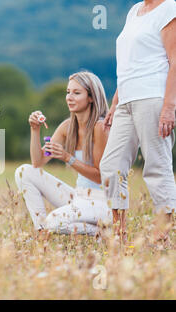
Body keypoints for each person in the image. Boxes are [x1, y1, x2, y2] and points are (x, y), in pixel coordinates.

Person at [100, 0, 176, 241]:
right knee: (111, 166)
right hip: (126, 100)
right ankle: (119, 234)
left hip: (153, 97)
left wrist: (169, 106)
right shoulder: (134, 11)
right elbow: (128, 63)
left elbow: (174, 60)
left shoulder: (169, 8)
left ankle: (162, 235)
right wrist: (115, 102)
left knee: (156, 165)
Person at [15, 71, 111, 236]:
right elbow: (38, 162)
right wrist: (34, 129)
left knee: (53, 221)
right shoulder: (68, 127)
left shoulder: (100, 128)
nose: (69, 97)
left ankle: (104, 233)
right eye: (68, 92)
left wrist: (68, 158)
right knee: (24, 171)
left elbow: (100, 177)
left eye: (76, 93)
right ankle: (42, 234)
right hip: (79, 197)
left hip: (102, 202)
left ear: (91, 98)